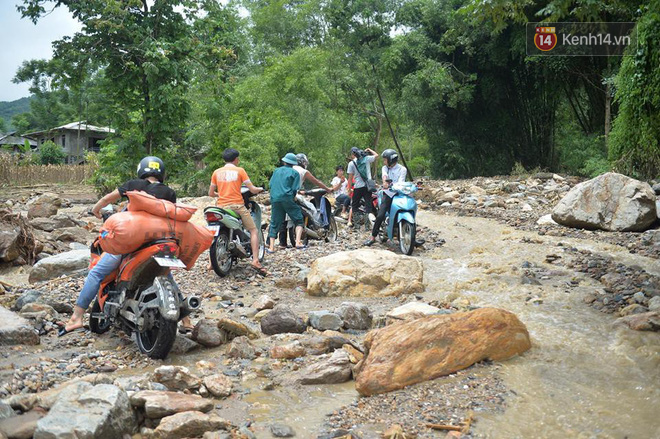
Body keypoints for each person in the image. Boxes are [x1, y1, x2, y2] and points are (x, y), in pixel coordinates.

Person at [59, 156, 193, 335]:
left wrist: (96, 209)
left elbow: (108, 198)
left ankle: (76, 318)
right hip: (158, 241)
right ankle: (186, 319)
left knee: (96, 273)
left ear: (141, 169)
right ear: (161, 173)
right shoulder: (169, 193)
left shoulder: (134, 185)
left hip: (132, 241)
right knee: (166, 275)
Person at [208, 148, 266, 275]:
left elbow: (210, 193)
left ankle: (211, 263)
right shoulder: (240, 171)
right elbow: (251, 188)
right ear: (236, 159)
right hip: (237, 206)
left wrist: (220, 195)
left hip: (221, 207)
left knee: (214, 232)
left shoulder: (216, 172)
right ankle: (255, 260)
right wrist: (260, 189)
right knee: (254, 230)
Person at [364, 149, 408, 246]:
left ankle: (412, 235)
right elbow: (384, 176)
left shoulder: (402, 169)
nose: (384, 162)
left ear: (391, 160)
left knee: (407, 211)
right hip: (388, 194)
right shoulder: (385, 168)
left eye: (385, 159)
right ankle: (372, 237)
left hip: (399, 194)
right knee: (380, 215)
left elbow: (401, 181)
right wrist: (385, 183)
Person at [268, 153, 305, 251]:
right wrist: (292, 198)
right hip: (287, 198)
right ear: (294, 164)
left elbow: (271, 185)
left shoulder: (276, 171)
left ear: (284, 162)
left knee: (275, 222)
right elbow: (294, 189)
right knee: (299, 219)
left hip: (275, 198)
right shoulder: (294, 173)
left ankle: (271, 247)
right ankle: (298, 242)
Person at [346, 147, 378, 227]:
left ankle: (357, 224)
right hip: (368, 186)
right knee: (368, 205)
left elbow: (350, 178)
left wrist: (349, 189)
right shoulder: (367, 159)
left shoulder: (351, 163)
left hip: (358, 187)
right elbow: (376, 155)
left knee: (354, 205)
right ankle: (368, 225)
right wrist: (369, 149)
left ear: (353, 154)